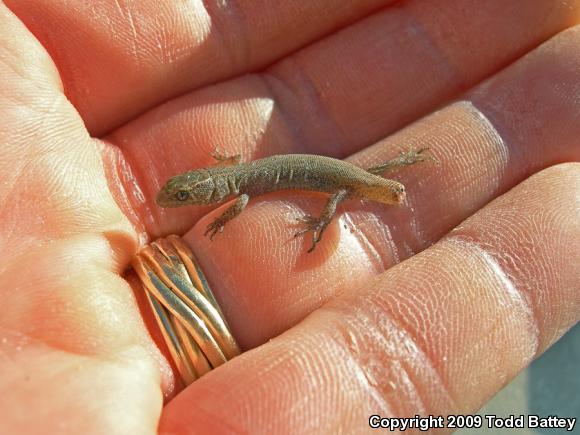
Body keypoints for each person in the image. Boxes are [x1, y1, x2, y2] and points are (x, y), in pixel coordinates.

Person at [0, 1, 578, 433]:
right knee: (363, 182)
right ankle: (391, 175)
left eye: (186, 196)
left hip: (326, 177)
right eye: (183, 196)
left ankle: (387, 181)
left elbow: (242, 197)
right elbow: (237, 186)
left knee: (359, 189)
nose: (181, 199)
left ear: (208, 189)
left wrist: (273, 223)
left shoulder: (235, 191)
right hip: (322, 171)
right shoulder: (230, 181)